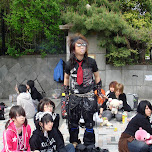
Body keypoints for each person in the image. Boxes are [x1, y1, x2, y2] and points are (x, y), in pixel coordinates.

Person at [64, 33, 105, 147]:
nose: (82, 47)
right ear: (73, 48)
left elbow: (97, 76)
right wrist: (66, 94)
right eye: (79, 45)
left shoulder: (91, 62)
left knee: (89, 122)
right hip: (74, 97)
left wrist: (98, 90)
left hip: (89, 96)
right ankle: (74, 142)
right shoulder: (69, 64)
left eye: (84, 45)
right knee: (73, 122)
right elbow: (66, 78)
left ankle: (89, 143)